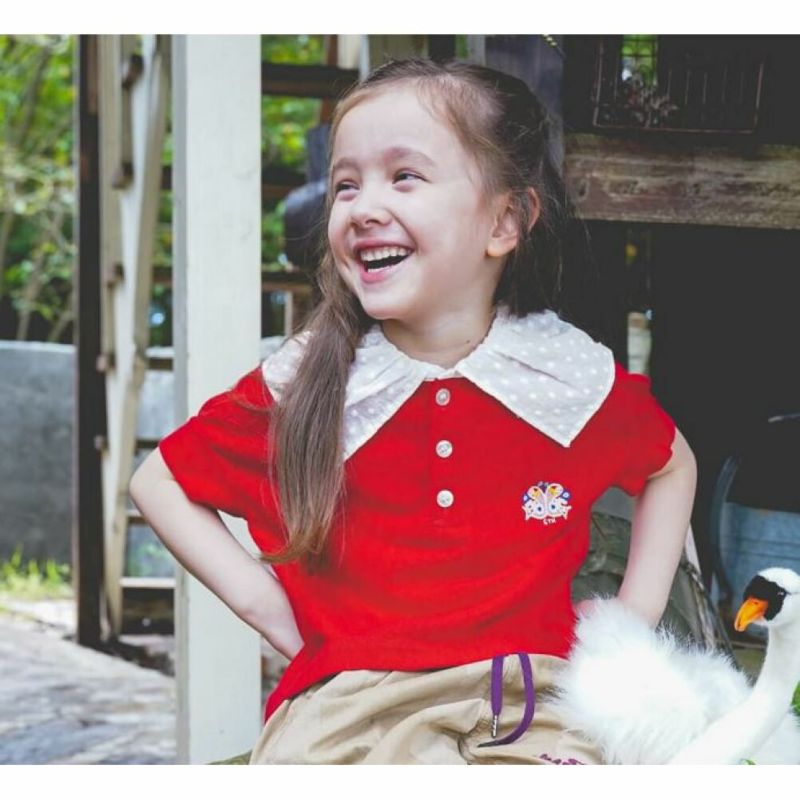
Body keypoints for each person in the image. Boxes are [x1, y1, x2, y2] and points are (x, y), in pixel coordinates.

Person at [129, 57, 697, 765]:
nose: (363, 207)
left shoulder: (563, 374)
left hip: (531, 700)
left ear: (505, 221)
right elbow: (160, 481)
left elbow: (672, 465)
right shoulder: (310, 379)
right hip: (352, 711)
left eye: (404, 176)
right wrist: (274, 613)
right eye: (346, 184)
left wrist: (631, 620)